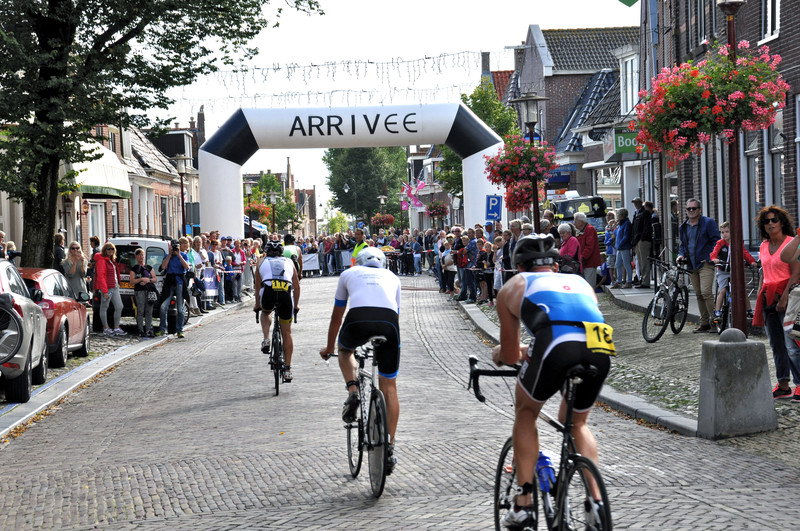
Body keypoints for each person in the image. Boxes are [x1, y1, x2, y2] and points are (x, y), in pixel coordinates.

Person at [492, 234, 611, 529]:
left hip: (555, 343)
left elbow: (510, 355)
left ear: (519, 267)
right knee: (577, 423)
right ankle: (596, 502)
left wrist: (501, 353)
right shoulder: (581, 282)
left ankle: (524, 502)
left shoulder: (514, 286)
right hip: (599, 345)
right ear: (555, 266)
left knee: (526, 412)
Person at [319, 247, 401, 474]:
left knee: (345, 351)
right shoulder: (393, 277)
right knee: (389, 387)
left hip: (357, 320)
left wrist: (329, 347)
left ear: (357, 261)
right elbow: (396, 312)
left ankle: (353, 390)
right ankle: (389, 447)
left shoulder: (348, 273)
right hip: (389, 324)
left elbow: (337, 316)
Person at [753, 206, 800, 400]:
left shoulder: (790, 243)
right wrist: (760, 294)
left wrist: (784, 297)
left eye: (774, 220)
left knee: (792, 345)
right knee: (776, 344)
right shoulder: (763, 245)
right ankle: (783, 384)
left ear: (782, 222)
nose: (770, 224)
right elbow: (764, 272)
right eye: (766, 221)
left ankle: (799, 384)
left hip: (787, 297)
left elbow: (795, 273)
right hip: (768, 297)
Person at [254, 240, 301, 382]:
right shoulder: (289, 261)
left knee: (266, 312)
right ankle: (287, 370)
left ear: (266, 252)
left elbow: (257, 286)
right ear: (282, 253)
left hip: (268, 291)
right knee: (287, 332)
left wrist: (257, 305)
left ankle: (266, 339)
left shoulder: (261, 261)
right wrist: (296, 305)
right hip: (285, 292)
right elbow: (297, 286)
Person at [677, 198, 720, 333]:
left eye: (694, 208)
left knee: (706, 292)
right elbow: (683, 245)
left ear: (700, 210)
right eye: (688, 209)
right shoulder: (683, 227)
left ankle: (715, 322)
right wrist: (681, 255)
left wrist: (709, 258)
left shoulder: (708, 223)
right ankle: (704, 323)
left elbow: (716, 242)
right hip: (691, 264)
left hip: (705, 263)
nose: (691, 211)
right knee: (699, 294)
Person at [710, 221, 755, 322]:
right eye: (722, 232)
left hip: (735, 271)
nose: (724, 234)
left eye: (727, 232)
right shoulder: (720, 243)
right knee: (722, 290)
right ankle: (717, 311)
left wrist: (752, 261)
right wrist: (714, 259)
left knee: (742, 290)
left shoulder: (737, 243)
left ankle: (749, 310)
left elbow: (745, 253)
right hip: (723, 271)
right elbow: (714, 253)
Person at [157, 239, 190, 338]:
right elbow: (163, 267)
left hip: (180, 282)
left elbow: (187, 267)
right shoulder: (167, 255)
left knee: (180, 309)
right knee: (163, 307)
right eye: (173, 246)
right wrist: (170, 255)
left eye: (176, 246)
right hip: (169, 282)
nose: (175, 248)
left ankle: (180, 330)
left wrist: (179, 255)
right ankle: (162, 329)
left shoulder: (184, 255)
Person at [94, 242, 126, 336]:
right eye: (108, 249)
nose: (110, 250)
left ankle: (116, 327)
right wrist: (104, 291)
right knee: (104, 307)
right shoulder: (101, 261)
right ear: (105, 250)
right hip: (107, 288)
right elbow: (101, 277)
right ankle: (106, 328)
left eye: (112, 249)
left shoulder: (111, 260)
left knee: (119, 306)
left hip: (114, 287)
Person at [131, 248, 157, 337]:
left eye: (142, 255)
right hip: (139, 291)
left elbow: (155, 278)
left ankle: (149, 330)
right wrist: (141, 279)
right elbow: (132, 281)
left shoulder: (149, 267)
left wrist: (148, 280)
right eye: (139, 255)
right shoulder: (134, 268)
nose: (141, 257)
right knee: (140, 310)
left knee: (149, 311)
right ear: (136, 257)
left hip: (149, 291)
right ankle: (140, 330)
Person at [574, 212, 602, 288]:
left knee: (590, 285)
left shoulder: (589, 229)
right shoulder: (582, 230)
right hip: (584, 262)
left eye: (575, 221)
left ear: (581, 222)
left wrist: (582, 257)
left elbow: (590, 246)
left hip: (589, 262)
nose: (574, 223)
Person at [631, 197, 653, 288]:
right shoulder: (636, 214)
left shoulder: (645, 213)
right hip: (637, 240)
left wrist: (643, 238)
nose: (635, 204)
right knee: (640, 262)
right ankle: (642, 279)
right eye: (634, 203)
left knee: (644, 262)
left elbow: (647, 227)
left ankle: (645, 281)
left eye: (637, 202)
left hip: (642, 241)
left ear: (641, 203)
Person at [615, 208, 633, 288]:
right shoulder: (620, 224)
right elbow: (617, 234)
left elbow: (626, 236)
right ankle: (619, 281)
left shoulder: (626, 223)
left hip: (624, 247)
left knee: (626, 264)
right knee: (618, 264)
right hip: (620, 247)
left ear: (622, 215)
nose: (617, 215)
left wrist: (620, 244)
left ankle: (629, 281)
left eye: (618, 214)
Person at [604, 212, 618, 286]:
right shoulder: (607, 230)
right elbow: (606, 241)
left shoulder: (616, 229)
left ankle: (617, 279)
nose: (608, 217)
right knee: (610, 266)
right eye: (607, 215)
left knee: (616, 265)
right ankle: (612, 280)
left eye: (610, 215)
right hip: (610, 251)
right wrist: (610, 240)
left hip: (617, 250)